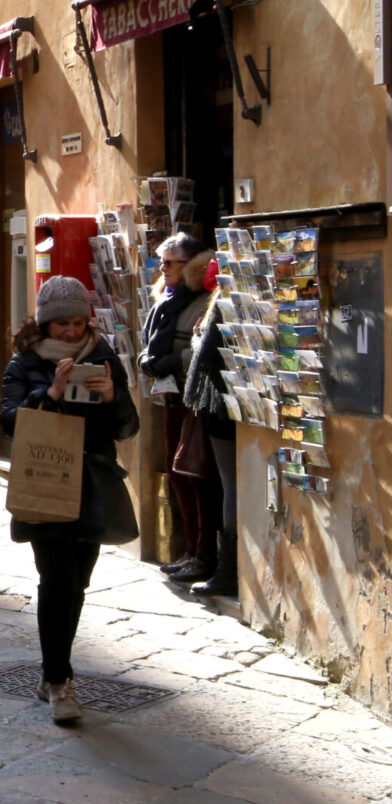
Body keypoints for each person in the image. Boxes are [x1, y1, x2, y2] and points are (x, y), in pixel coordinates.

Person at [0, 276, 138, 724]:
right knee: (56, 580)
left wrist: (113, 396)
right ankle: (60, 682)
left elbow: (127, 426)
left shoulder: (102, 358)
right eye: (62, 324)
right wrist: (51, 394)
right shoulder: (24, 362)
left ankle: (50, 673)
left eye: (78, 322)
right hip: (46, 481)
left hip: (93, 485)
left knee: (77, 583)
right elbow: (8, 422)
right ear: (46, 323)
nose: (72, 332)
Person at [139, 233, 218, 586]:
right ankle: (190, 550)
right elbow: (151, 339)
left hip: (194, 401)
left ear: (191, 266)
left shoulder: (204, 301)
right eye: (162, 261)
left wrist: (173, 361)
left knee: (195, 474)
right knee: (176, 473)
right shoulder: (164, 300)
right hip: (170, 398)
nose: (163, 268)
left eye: (171, 262)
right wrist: (147, 360)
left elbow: (204, 351)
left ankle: (204, 554)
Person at [180, 284, 239, 598]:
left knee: (230, 484)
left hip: (219, 404)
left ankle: (228, 571)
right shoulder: (221, 303)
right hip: (223, 403)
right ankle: (227, 567)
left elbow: (203, 355)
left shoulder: (219, 303)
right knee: (230, 483)